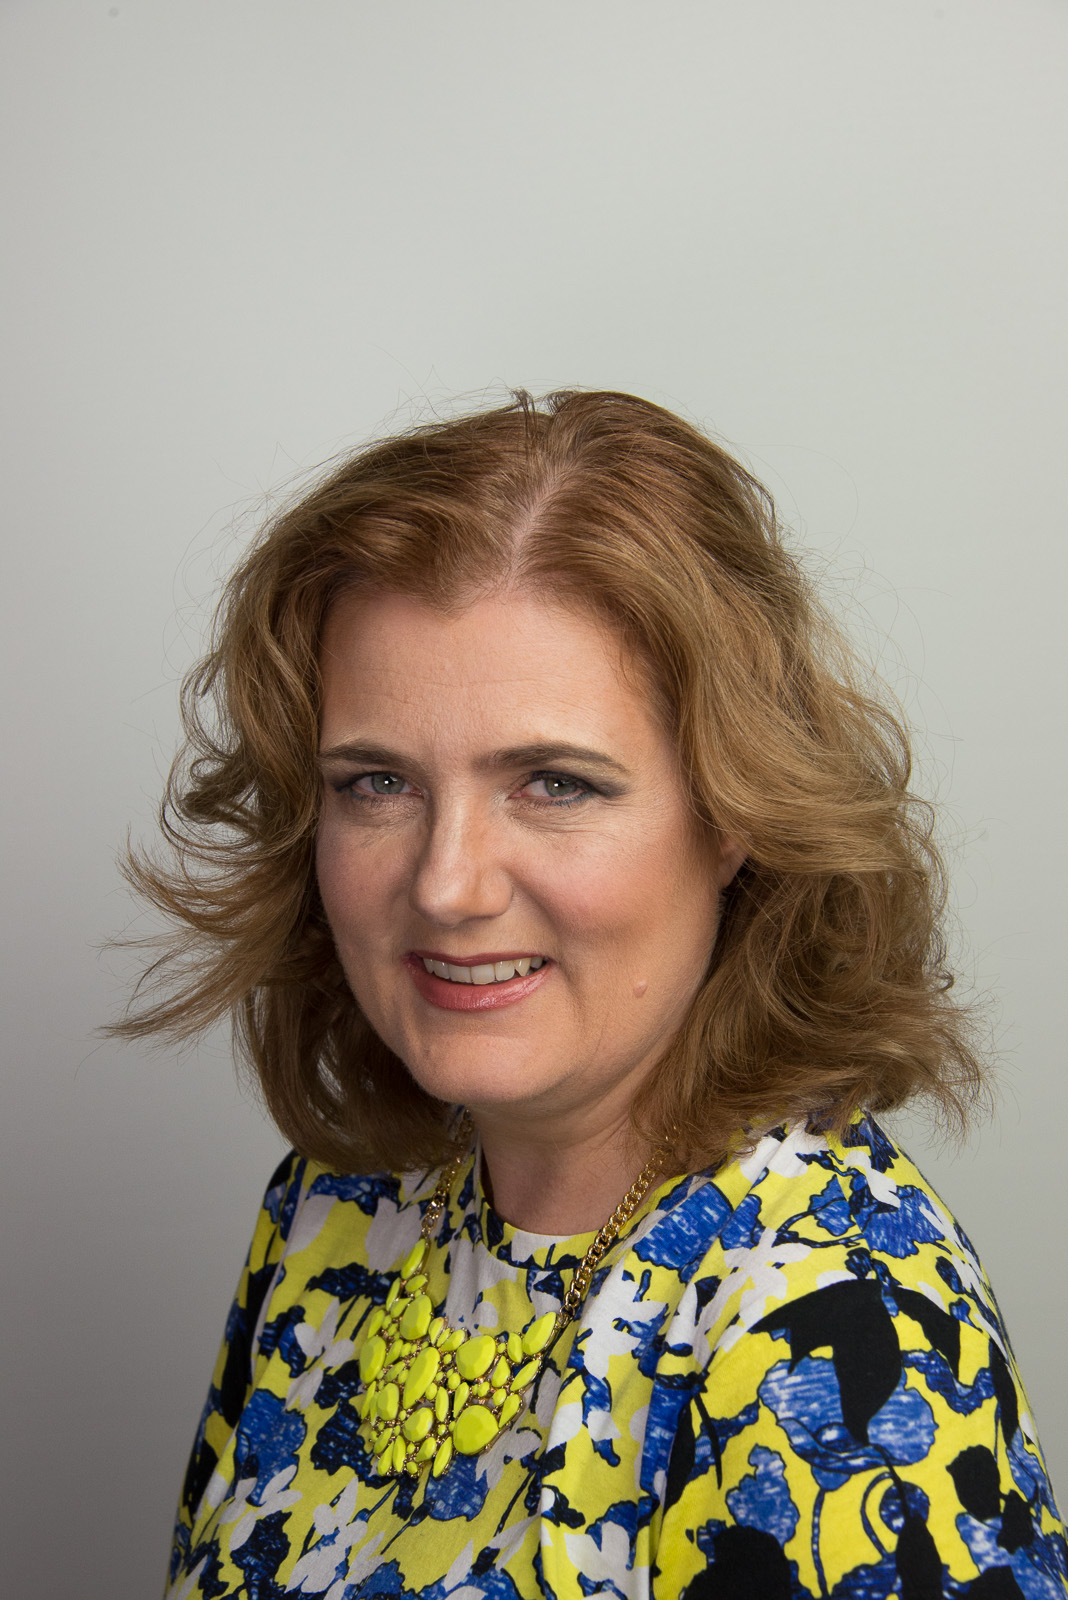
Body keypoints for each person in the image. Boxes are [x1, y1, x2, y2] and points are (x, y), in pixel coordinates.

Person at [118, 391, 1066, 1599]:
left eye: (555, 783)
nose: (447, 883)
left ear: (734, 812)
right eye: (376, 783)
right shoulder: (339, 1201)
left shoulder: (838, 1330)